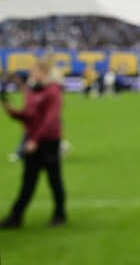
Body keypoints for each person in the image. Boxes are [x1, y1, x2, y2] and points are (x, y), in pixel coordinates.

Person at [1, 60, 67, 228]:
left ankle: (59, 214)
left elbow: (50, 120)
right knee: (28, 181)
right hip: (32, 140)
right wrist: (13, 112)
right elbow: (29, 116)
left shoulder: (53, 92)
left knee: (54, 179)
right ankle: (16, 217)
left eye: (34, 71)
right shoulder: (32, 92)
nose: (31, 74)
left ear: (43, 73)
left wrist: (34, 140)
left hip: (48, 142)